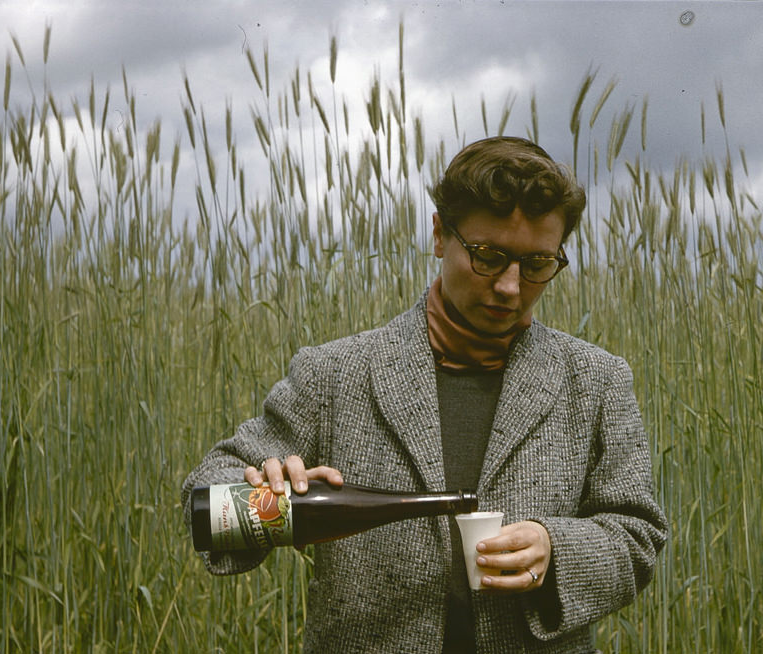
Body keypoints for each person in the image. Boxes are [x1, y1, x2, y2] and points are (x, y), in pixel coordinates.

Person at [181, 136, 668, 653]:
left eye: (536, 264)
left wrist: (557, 550)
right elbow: (207, 495)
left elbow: (637, 534)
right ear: (439, 234)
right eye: (489, 256)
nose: (510, 286)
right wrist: (261, 490)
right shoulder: (333, 374)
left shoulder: (596, 380)